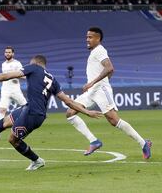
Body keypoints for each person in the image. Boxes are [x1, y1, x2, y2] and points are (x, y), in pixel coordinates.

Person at [0, 55, 102, 171]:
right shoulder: (53, 80)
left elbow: (7, 76)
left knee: (13, 140)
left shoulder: (33, 68)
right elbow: (68, 101)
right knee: (2, 124)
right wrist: (86, 112)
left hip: (33, 114)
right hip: (30, 109)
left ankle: (37, 161)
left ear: (35, 62)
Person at [65, 27, 152, 159]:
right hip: (92, 91)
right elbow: (111, 71)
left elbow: (109, 67)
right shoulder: (95, 51)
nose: (87, 39)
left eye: (90, 37)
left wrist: (93, 83)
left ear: (98, 38)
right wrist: (94, 84)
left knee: (113, 120)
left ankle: (143, 143)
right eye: (87, 37)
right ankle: (94, 141)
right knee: (70, 112)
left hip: (100, 90)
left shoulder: (100, 50)